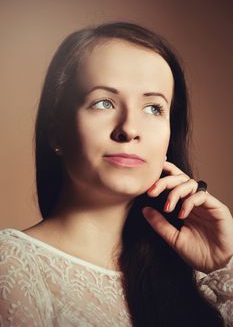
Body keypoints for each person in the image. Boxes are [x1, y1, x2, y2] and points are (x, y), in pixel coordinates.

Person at [0, 22, 233, 327]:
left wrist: (222, 262)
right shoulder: (13, 263)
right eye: (104, 103)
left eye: (153, 109)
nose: (130, 129)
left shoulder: (194, 280)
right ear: (57, 132)